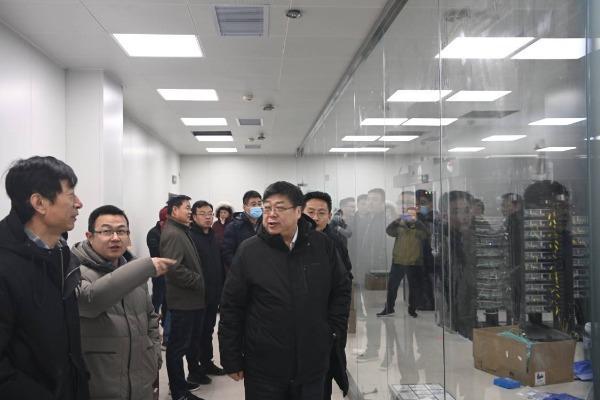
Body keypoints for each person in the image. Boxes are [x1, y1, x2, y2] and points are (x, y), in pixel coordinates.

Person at [219, 181, 351, 400]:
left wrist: (332, 332)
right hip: (264, 366)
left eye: (280, 208)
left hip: (312, 363)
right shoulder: (249, 251)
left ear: (298, 212)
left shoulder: (322, 245)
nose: (271, 214)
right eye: (267, 208)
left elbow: (341, 290)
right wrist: (231, 357)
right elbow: (231, 306)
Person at [0, 156, 89, 399]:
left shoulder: (60, 253)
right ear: (39, 203)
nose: (79, 203)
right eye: (71, 195)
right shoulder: (5, 264)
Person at [72, 205, 175, 400]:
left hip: (140, 382)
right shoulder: (75, 271)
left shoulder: (134, 271)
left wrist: (153, 356)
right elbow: (90, 302)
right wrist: (143, 268)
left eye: (121, 231)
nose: (115, 238)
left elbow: (151, 317)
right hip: (99, 385)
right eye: (106, 231)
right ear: (89, 236)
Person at [302, 191, 353, 399]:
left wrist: (336, 327)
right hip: (300, 325)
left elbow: (345, 280)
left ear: (330, 216)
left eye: (321, 213)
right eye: (310, 212)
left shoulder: (336, 241)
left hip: (328, 322)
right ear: (300, 212)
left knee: (325, 377)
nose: (315, 217)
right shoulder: (293, 241)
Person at [160, 195, 207, 400]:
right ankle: (179, 392)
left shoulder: (180, 230)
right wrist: (198, 280)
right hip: (183, 301)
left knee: (185, 344)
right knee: (177, 348)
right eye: (187, 208)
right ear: (174, 210)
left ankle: (180, 383)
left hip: (191, 300)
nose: (190, 211)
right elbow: (173, 268)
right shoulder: (173, 233)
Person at [189, 200, 226, 377]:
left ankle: (207, 362)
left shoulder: (213, 235)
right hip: (198, 295)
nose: (207, 217)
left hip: (214, 293)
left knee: (208, 330)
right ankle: (194, 369)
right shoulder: (191, 237)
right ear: (194, 217)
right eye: (203, 214)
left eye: (210, 214)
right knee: (196, 333)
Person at [377, 204, 429, 318]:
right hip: (398, 261)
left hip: (413, 262)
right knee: (392, 287)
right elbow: (388, 231)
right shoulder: (399, 227)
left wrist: (418, 223)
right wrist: (396, 221)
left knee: (413, 288)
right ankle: (389, 309)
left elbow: (426, 235)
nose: (410, 217)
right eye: (408, 214)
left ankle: (412, 309)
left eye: (413, 215)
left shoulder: (418, 228)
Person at [222, 190, 262, 269]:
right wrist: (240, 269)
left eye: (259, 204)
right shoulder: (233, 227)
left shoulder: (266, 225)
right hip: (244, 271)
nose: (257, 207)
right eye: (253, 204)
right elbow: (227, 253)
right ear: (244, 207)